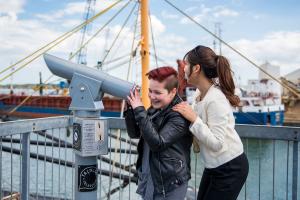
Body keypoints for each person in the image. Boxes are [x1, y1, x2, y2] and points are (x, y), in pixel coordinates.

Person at [173, 45, 249, 200]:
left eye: (186, 64)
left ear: (196, 68)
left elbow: (217, 143)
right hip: (214, 165)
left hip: (230, 167)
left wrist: (194, 118)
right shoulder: (199, 93)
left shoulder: (216, 99)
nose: (184, 68)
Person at [124, 66, 193, 200]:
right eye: (150, 91)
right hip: (151, 178)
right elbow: (135, 133)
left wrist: (139, 110)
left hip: (170, 183)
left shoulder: (179, 115)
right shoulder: (156, 109)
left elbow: (158, 143)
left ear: (173, 92)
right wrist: (131, 111)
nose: (151, 96)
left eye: (157, 92)